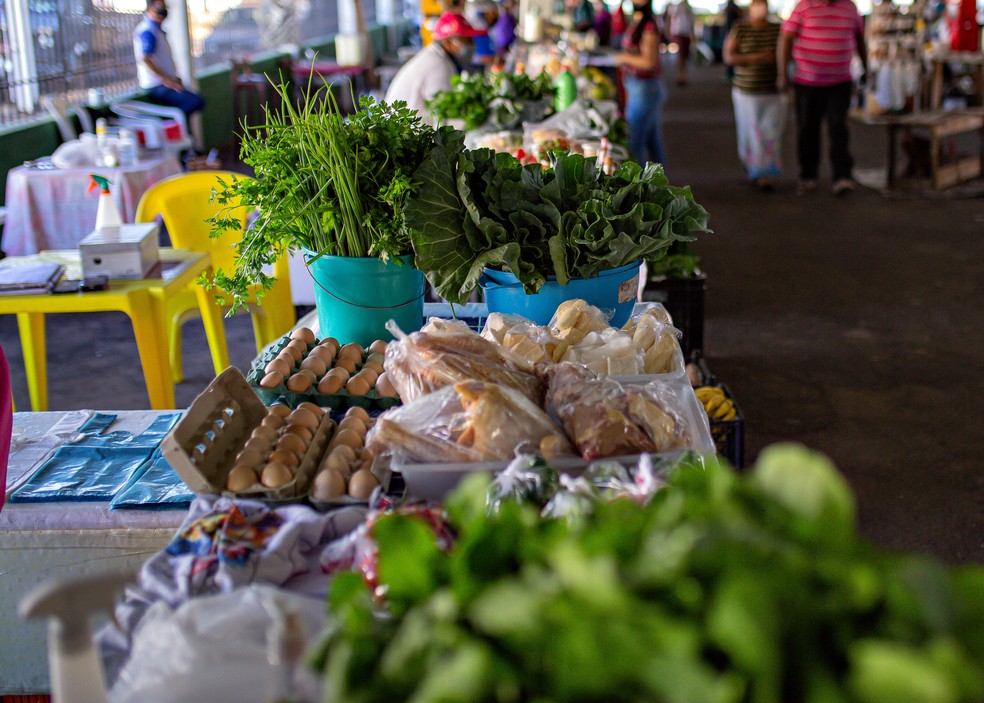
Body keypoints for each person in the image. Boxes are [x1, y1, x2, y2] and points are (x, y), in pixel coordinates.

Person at [777, 0, 867, 195]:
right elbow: (786, 38)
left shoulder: (849, 7)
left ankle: (842, 176)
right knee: (807, 129)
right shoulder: (804, 6)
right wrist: (783, 74)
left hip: (840, 82)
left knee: (838, 128)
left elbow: (860, 38)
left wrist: (865, 67)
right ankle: (808, 176)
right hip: (807, 82)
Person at [724, 0, 784, 190]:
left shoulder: (778, 29)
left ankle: (765, 173)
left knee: (770, 133)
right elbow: (729, 57)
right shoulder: (740, 29)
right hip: (746, 92)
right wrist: (756, 58)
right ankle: (753, 168)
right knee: (752, 132)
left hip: (772, 91)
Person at [385, 12, 485, 117]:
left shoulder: (436, 57)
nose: (472, 45)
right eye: (467, 40)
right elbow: (446, 115)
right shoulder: (438, 65)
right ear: (448, 43)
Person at [133, 0, 205, 117]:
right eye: (159, 7)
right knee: (195, 102)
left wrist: (173, 78)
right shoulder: (148, 30)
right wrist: (168, 80)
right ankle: (169, 121)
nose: (163, 10)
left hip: (165, 83)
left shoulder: (156, 30)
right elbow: (145, 59)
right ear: (150, 9)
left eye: (164, 6)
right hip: (157, 86)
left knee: (193, 102)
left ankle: (173, 122)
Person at [616, 1, 666, 165]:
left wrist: (623, 58)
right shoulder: (639, 21)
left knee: (635, 144)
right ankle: (659, 185)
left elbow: (649, 62)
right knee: (653, 142)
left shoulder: (649, 25)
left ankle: (640, 187)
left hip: (645, 89)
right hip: (639, 87)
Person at [665, 0, 696, 85]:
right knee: (681, 56)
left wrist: (693, 34)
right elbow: (670, 19)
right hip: (679, 33)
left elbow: (691, 22)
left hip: (686, 34)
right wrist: (668, 31)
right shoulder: (676, 7)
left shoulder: (689, 8)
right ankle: (680, 75)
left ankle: (683, 75)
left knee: (685, 56)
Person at [468, 0, 500, 69]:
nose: (495, 17)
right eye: (495, 14)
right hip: (477, 67)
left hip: (483, 65)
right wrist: (499, 60)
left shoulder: (483, 25)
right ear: (491, 12)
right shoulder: (479, 26)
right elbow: (483, 57)